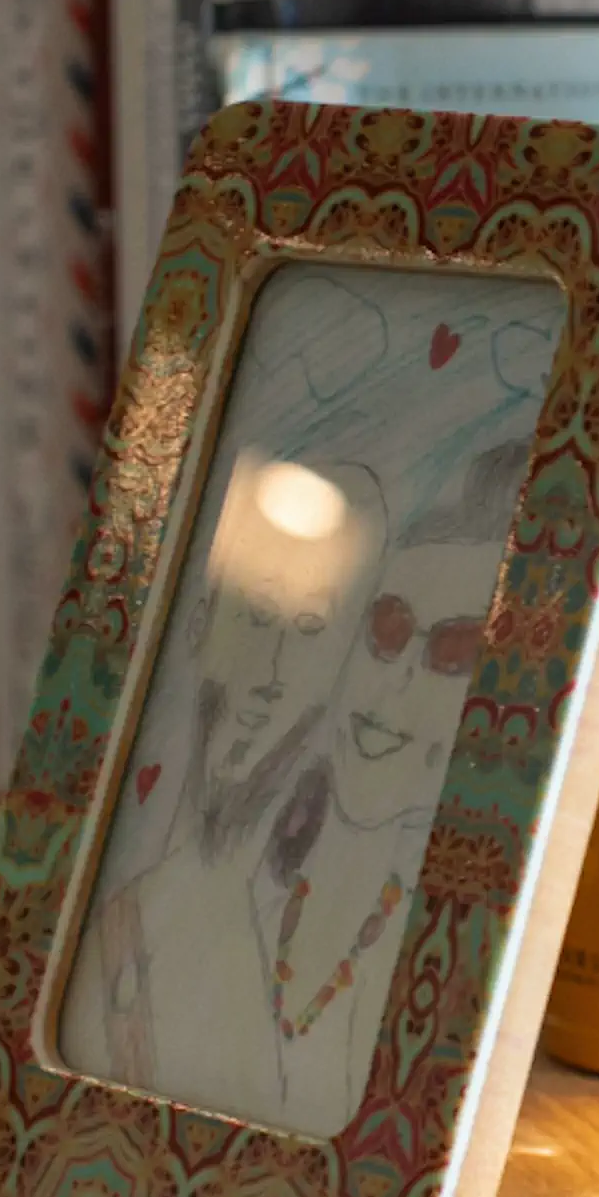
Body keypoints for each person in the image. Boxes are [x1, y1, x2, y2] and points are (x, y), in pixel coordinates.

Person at [61, 450, 383, 1113]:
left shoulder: (326, 924)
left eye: (311, 629)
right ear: (202, 620)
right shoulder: (120, 907)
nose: (272, 670)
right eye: (258, 614)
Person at [247, 437, 529, 1135]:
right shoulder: (245, 886)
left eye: (452, 654)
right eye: (389, 630)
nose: (396, 683)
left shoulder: (458, 978)